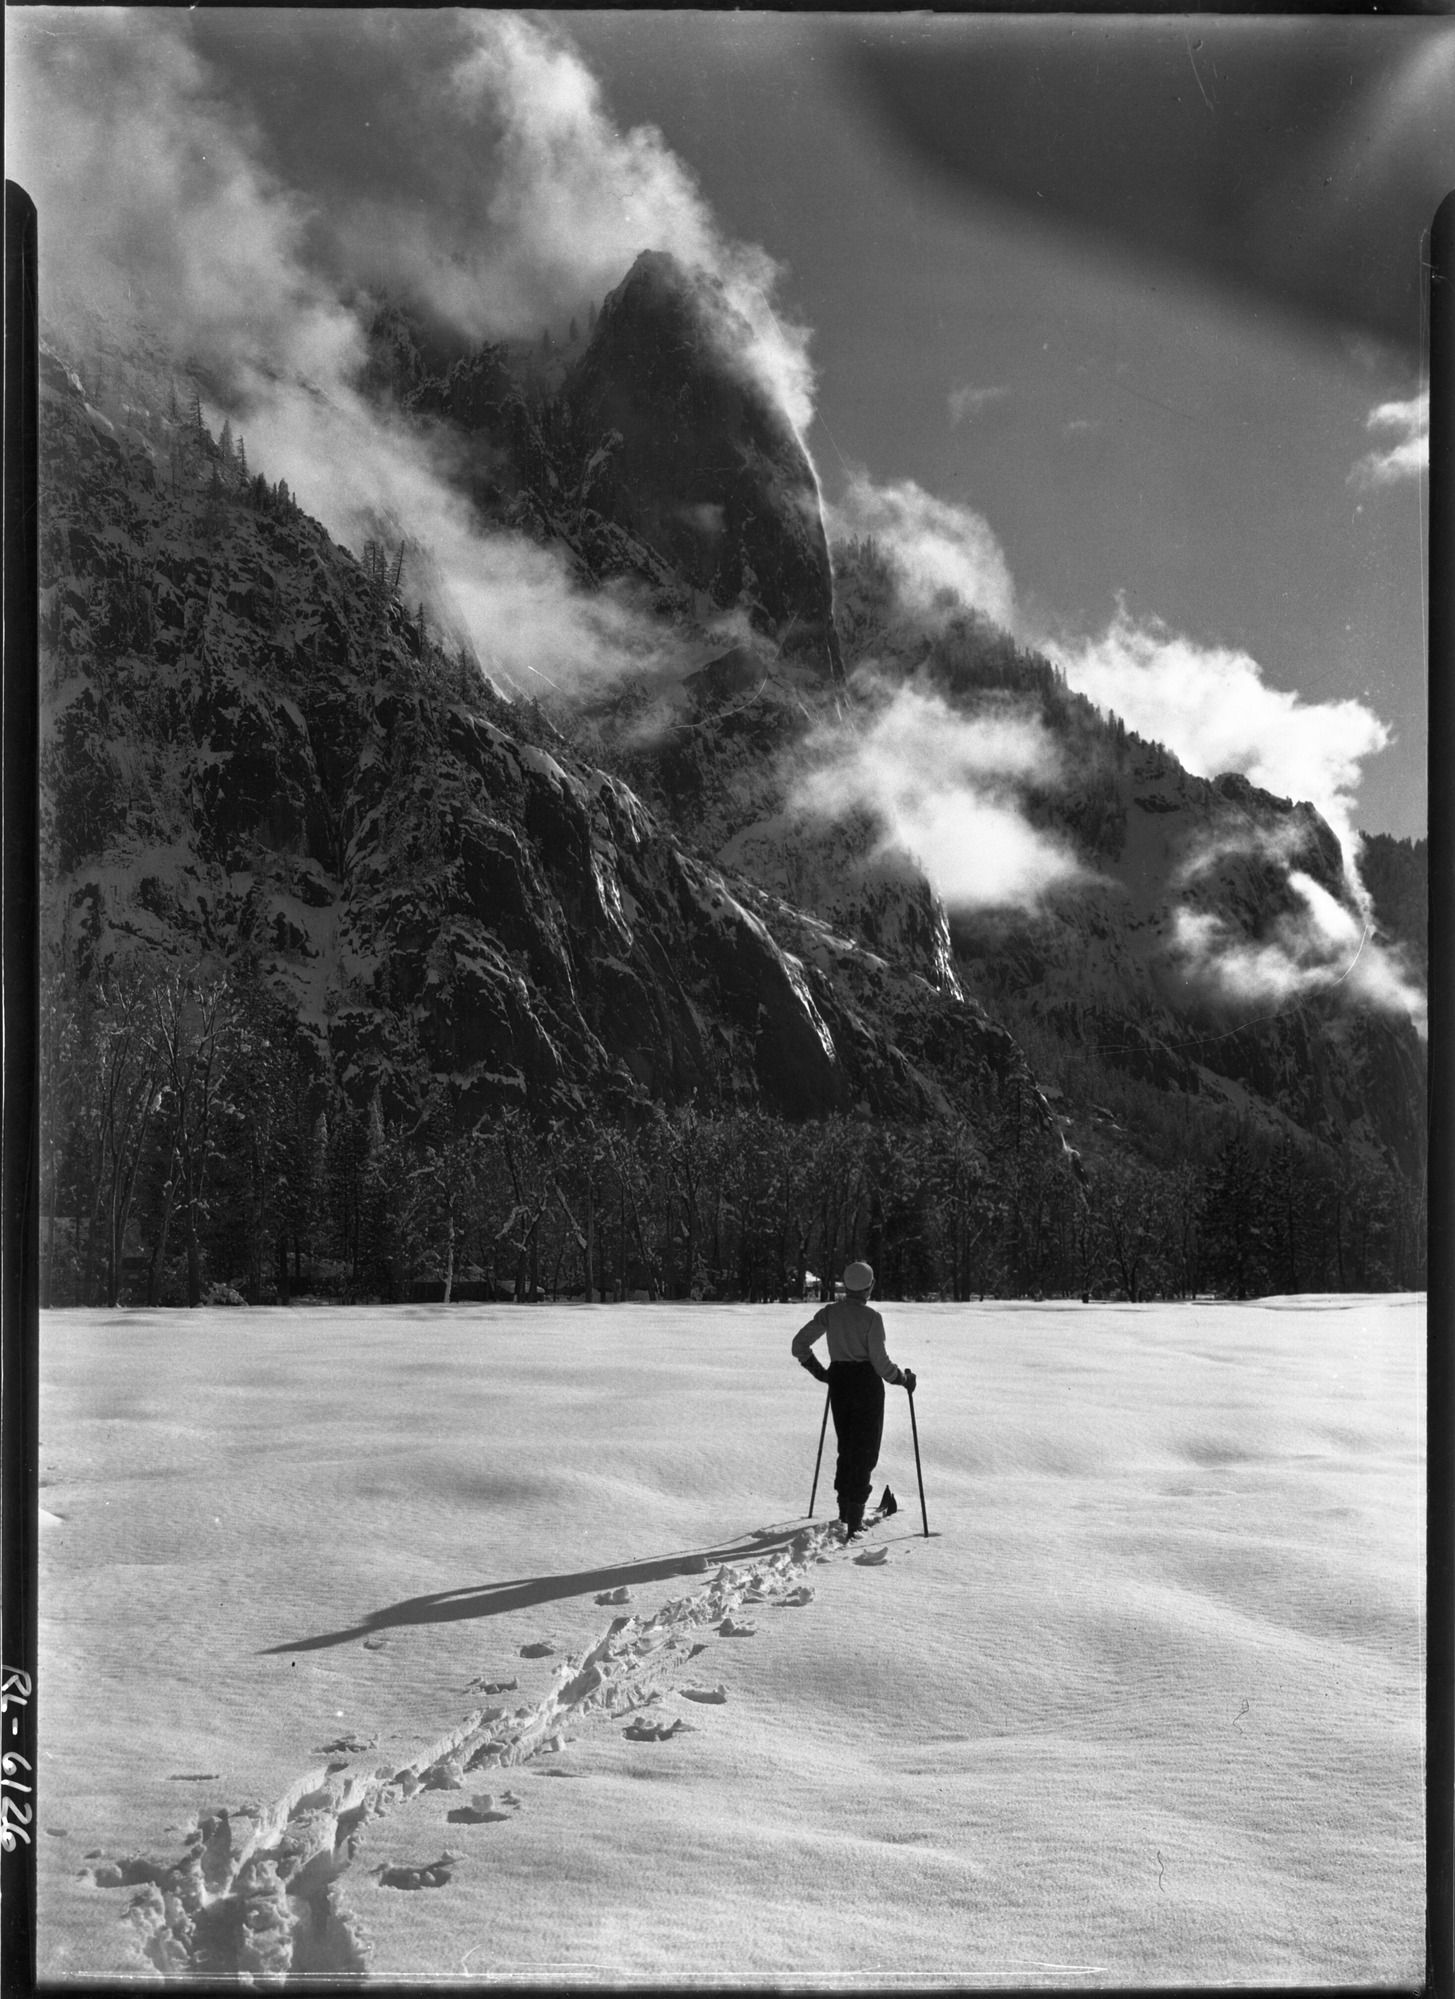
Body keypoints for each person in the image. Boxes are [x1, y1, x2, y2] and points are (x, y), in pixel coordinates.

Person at [792, 1261, 916, 1537]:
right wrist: (904, 1379)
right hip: (866, 1386)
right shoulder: (872, 1318)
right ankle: (855, 1517)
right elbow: (881, 1365)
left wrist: (821, 1373)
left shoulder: (830, 1313)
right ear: (869, 1287)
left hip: (840, 1383)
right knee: (865, 1450)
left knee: (846, 1446)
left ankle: (845, 1510)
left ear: (846, 1287)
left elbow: (798, 1344)